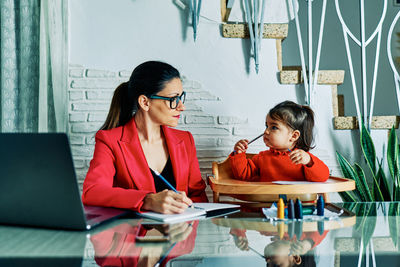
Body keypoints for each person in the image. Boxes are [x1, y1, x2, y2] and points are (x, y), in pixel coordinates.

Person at [82, 61, 208, 214]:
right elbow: (92, 192)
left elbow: (198, 196)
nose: (182, 106)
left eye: (181, 97)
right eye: (173, 99)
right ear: (145, 102)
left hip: (179, 234)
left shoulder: (185, 140)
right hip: (132, 235)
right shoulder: (109, 141)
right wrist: (147, 200)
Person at [230, 100, 329, 182]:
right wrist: (239, 154)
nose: (266, 131)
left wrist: (309, 161)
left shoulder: (302, 159)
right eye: (266, 126)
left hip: (298, 205)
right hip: (268, 205)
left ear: (294, 136)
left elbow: (323, 177)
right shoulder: (261, 158)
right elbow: (243, 175)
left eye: (273, 127)